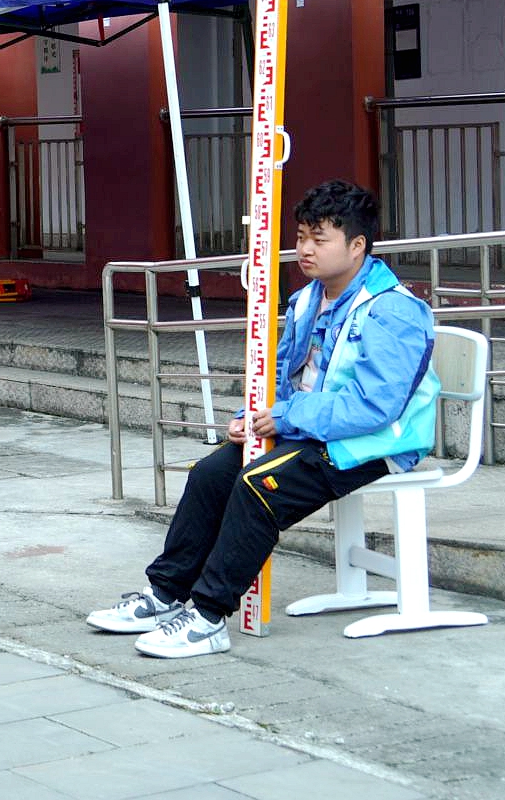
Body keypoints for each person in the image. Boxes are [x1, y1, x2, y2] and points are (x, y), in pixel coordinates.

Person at [87, 180, 440, 659]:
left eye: (320, 239)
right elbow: (279, 376)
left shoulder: (393, 311)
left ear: (357, 245)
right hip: (310, 430)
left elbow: (374, 406)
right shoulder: (307, 300)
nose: (305, 249)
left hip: (373, 443)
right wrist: (250, 415)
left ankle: (208, 617)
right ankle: (166, 593)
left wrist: (286, 416)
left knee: (258, 486)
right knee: (210, 473)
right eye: (301, 237)